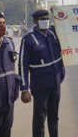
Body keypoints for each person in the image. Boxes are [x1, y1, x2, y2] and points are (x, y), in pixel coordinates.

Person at [18, 9, 65, 137]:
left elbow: (67, 25)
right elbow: (23, 64)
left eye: (47, 19)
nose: (45, 21)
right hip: (40, 86)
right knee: (40, 118)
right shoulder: (28, 39)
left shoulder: (54, 33)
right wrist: (24, 89)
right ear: (35, 21)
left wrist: (57, 12)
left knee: (54, 116)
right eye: (42, 19)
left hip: (56, 82)